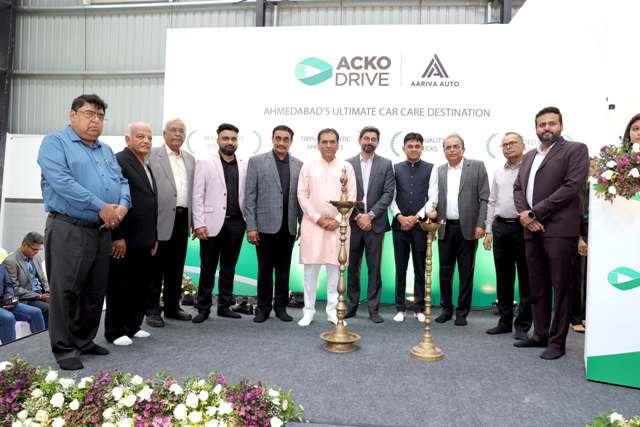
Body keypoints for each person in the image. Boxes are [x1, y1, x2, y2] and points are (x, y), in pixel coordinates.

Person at [37, 94, 130, 370]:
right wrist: (101, 206)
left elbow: (122, 182)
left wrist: (122, 207)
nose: (95, 120)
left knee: (95, 290)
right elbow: (62, 182)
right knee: (66, 290)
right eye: (89, 114)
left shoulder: (105, 150)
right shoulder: (55, 143)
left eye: (100, 116)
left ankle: (84, 340)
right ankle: (64, 348)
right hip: (68, 227)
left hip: (101, 230)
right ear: (73, 115)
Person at [513, 106, 589, 360]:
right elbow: (517, 188)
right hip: (531, 230)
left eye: (551, 123)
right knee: (537, 286)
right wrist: (525, 216)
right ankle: (540, 334)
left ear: (561, 125)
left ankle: (557, 341)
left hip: (559, 229)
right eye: (541, 124)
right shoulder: (528, 156)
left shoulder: (576, 150)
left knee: (562, 288)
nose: (546, 128)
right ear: (536, 128)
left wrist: (535, 213)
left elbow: (572, 186)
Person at [105, 122, 158, 346]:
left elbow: (151, 203)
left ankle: (133, 325)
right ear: (128, 139)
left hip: (145, 239)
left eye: (149, 137)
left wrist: (154, 237)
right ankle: (115, 331)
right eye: (140, 136)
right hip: (124, 238)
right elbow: (112, 198)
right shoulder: (118, 160)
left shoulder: (146, 164)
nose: (146, 141)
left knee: (140, 285)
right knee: (120, 285)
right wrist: (116, 235)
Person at [297, 128, 356, 327]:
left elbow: (351, 197)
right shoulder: (308, 165)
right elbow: (302, 195)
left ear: (338, 144)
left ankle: (333, 312)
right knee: (310, 273)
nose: (328, 145)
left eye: (332, 142)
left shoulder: (347, 167)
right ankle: (308, 311)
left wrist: (338, 219)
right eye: (324, 142)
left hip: (338, 227)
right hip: (313, 225)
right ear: (318, 144)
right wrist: (317, 218)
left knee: (335, 272)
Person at [244, 125, 303, 323]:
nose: (281, 142)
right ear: (272, 139)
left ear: (291, 142)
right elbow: (250, 196)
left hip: (288, 227)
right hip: (264, 227)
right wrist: (251, 227)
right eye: (278, 138)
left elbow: (301, 198)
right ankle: (263, 308)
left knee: (284, 270)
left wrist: (302, 224)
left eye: (286, 139)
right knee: (265, 270)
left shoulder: (299, 165)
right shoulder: (256, 162)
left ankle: (280, 307)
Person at [192, 123, 248, 324]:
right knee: (207, 268)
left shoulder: (244, 164)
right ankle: (203, 308)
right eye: (226, 138)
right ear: (218, 140)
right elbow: (197, 195)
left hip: (236, 223)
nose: (229, 142)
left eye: (233, 139)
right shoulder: (205, 163)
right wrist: (199, 223)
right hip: (210, 224)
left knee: (229, 267)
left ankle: (224, 306)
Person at [435, 133, 490, 326]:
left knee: (466, 273)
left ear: (463, 149)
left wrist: (481, 224)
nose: (452, 150)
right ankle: (446, 309)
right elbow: (434, 199)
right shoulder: (439, 171)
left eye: (455, 146)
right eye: (448, 147)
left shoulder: (477, 166)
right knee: (445, 273)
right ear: (444, 150)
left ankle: (462, 312)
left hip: (468, 228)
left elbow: (485, 197)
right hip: (444, 228)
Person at [147, 118, 195, 326]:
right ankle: (152, 309)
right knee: (156, 267)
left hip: (183, 218)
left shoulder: (190, 159)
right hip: (159, 218)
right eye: (173, 130)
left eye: (181, 131)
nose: (177, 134)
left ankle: (172, 307)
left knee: (176, 265)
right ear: (164, 133)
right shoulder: (151, 155)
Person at [483, 132, 532, 340]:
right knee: (503, 276)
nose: (508, 147)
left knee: (526, 278)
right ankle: (504, 321)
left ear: (523, 145)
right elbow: (492, 202)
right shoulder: (498, 172)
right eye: (504, 145)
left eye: (512, 143)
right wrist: (488, 229)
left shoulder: (531, 170)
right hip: (501, 227)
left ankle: (523, 325)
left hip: (524, 228)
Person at [344, 126, 395, 323]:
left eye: (373, 139)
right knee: (352, 268)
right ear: (359, 140)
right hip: (353, 223)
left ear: (377, 142)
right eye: (366, 138)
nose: (369, 142)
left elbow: (388, 193)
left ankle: (374, 309)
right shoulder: (347, 164)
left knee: (374, 269)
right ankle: (351, 306)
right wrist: (358, 216)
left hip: (375, 225)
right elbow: (344, 193)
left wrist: (370, 215)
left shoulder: (386, 164)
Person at [389, 132, 438, 323]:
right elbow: (391, 197)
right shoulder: (395, 168)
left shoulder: (431, 169)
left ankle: (418, 308)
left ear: (422, 148)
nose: (414, 149)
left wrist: (416, 217)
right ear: (403, 148)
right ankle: (400, 308)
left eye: (417, 146)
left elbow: (433, 198)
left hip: (420, 226)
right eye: (410, 146)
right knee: (400, 268)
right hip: (399, 225)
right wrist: (400, 216)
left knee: (420, 268)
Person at [3, 232, 50, 327]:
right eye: (34, 249)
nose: (36, 252)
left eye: (39, 250)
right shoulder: (10, 261)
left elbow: (42, 279)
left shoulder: (36, 257)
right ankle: (44, 335)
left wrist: (48, 291)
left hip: (41, 294)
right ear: (24, 245)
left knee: (63, 304)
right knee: (49, 308)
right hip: (25, 298)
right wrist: (39, 296)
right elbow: (15, 289)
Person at [0, 264, 45, 345]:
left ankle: (41, 345)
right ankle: (10, 352)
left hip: (4, 301)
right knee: (8, 318)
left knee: (36, 312)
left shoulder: (1, 266)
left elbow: (9, 285)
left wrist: (8, 297)